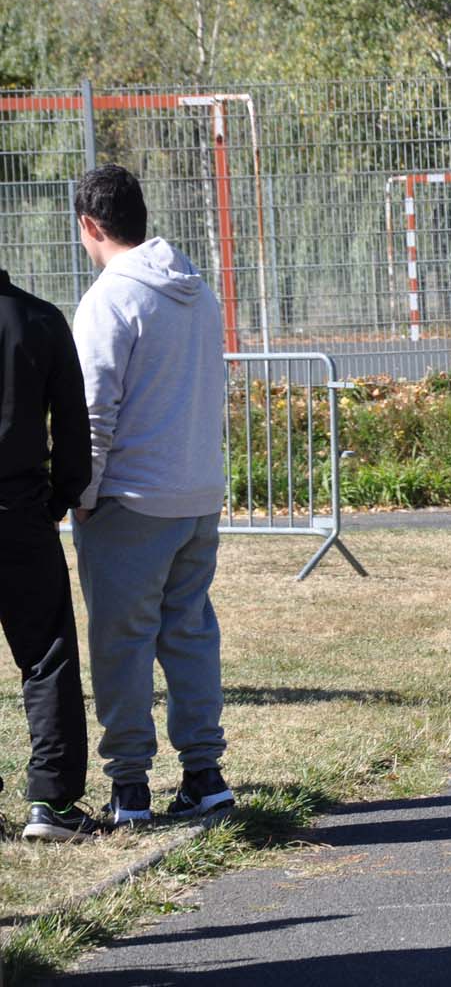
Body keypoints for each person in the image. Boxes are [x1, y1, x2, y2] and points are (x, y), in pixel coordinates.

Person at [72, 164, 235, 826]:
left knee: (123, 645)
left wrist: (81, 494)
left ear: (90, 225)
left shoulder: (109, 299)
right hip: (196, 493)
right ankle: (204, 774)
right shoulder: (196, 289)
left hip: (131, 502)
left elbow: (93, 413)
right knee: (190, 637)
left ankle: (130, 787)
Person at [0, 267, 96, 841]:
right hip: (19, 508)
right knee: (46, 652)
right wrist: (63, 493)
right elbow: (72, 419)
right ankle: (52, 802)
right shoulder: (38, 318)